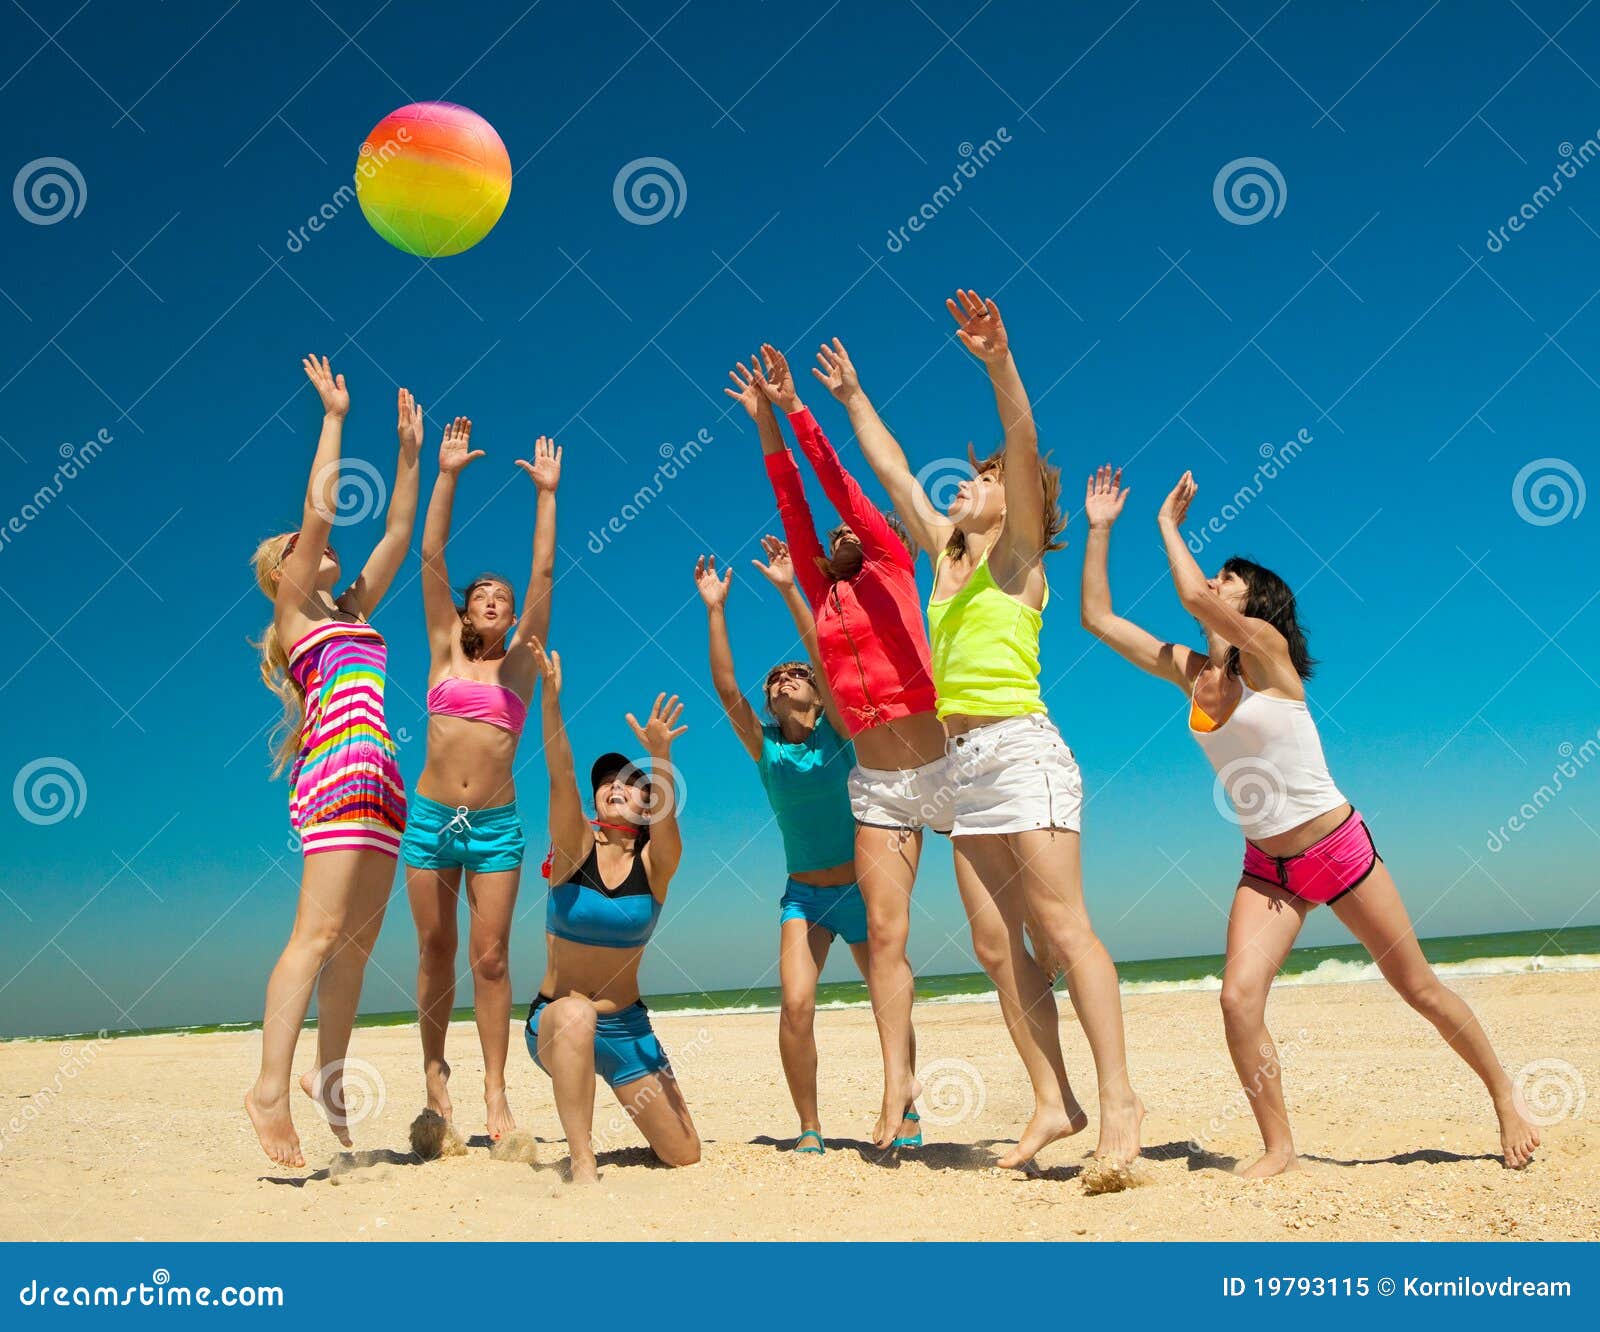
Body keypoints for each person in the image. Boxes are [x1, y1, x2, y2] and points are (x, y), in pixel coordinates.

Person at [1080, 463, 1541, 1173]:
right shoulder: (1194, 672)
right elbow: (1099, 619)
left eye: (1229, 577)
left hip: (1338, 848)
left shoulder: (1268, 658)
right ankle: (1281, 1145)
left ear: (1254, 604)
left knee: (1417, 987)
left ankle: (1505, 1094)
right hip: (1268, 867)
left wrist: (1169, 526)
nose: (1217, 582)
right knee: (1237, 1000)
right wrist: (1100, 532)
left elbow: (1196, 599)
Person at [811, 293, 1143, 1167]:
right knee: (998, 948)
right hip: (962, 767)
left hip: (1022, 752)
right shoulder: (948, 558)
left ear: (1021, 500)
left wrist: (999, 362)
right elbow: (890, 475)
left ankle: (1119, 1107)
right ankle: (1052, 1101)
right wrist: (852, 399)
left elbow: (1026, 449)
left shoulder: (1017, 555)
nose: (971, 480)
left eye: (987, 476)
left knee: (1064, 933)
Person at [725, 349, 944, 1150]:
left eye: (853, 523)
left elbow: (832, 487)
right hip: (883, 789)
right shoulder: (821, 593)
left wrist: (801, 409)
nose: (841, 527)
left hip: (942, 760)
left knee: (1002, 939)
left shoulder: (889, 558)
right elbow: (792, 502)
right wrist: (762, 421)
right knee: (887, 942)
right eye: (833, 533)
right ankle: (900, 1096)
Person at [244, 357, 420, 1168]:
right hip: (337, 769)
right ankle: (269, 1088)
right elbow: (319, 507)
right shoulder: (291, 611)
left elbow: (395, 538)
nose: (322, 545)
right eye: (302, 547)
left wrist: (414, 457)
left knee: (355, 946)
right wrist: (336, 417)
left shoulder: (351, 610)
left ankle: (327, 1076)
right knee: (315, 935)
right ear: (283, 571)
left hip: (381, 779)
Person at [402, 420, 561, 1142]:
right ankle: (438, 1081)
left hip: (495, 826)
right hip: (433, 819)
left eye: (504, 596)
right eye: (484, 594)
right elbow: (430, 553)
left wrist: (547, 497)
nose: (497, 599)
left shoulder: (519, 666)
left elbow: (545, 575)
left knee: (491, 957)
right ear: (466, 610)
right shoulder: (443, 653)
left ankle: (497, 1093)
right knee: (435, 950)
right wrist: (447, 473)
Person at [693, 536, 869, 1153]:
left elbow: (825, 657)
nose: (786, 681)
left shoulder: (843, 734)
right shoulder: (765, 748)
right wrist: (716, 607)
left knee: (887, 999)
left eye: (796, 676)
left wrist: (792, 588)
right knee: (795, 1006)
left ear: (819, 697)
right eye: (777, 679)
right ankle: (811, 1128)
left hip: (864, 889)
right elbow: (724, 685)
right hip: (803, 898)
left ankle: (903, 1110)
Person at [524, 643, 701, 1182]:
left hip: (625, 1028)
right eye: (608, 783)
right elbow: (561, 775)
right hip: (557, 1021)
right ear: (595, 801)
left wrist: (661, 757)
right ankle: (582, 1161)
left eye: (632, 784)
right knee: (576, 1013)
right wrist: (551, 702)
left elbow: (669, 830)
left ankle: (607, 1088)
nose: (617, 787)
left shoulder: (658, 865)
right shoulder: (573, 851)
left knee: (683, 1153)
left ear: (649, 807)